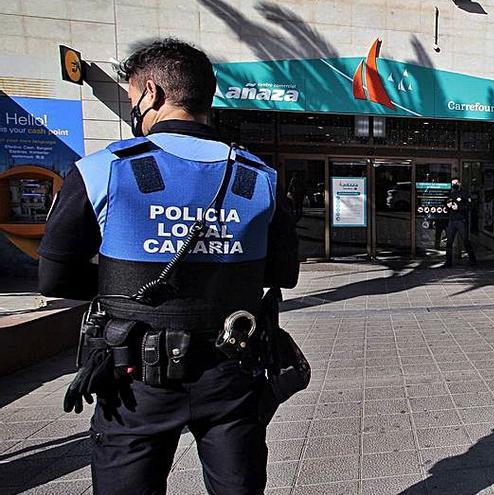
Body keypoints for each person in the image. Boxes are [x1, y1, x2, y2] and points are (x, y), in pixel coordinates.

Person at [37, 39, 299, 494]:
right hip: (231, 371)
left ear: (152, 93)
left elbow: (55, 277)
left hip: (133, 380)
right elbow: (283, 275)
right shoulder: (259, 178)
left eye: (132, 96)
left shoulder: (102, 171)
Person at [443, 177, 477, 267]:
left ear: (459, 183)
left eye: (456, 183)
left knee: (466, 241)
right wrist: (448, 206)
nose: (454, 185)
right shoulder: (450, 194)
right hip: (452, 221)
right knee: (449, 242)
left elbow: (470, 207)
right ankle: (448, 262)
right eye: (452, 184)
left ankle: (473, 261)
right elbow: (446, 207)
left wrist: (459, 208)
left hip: (461, 220)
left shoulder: (465, 193)